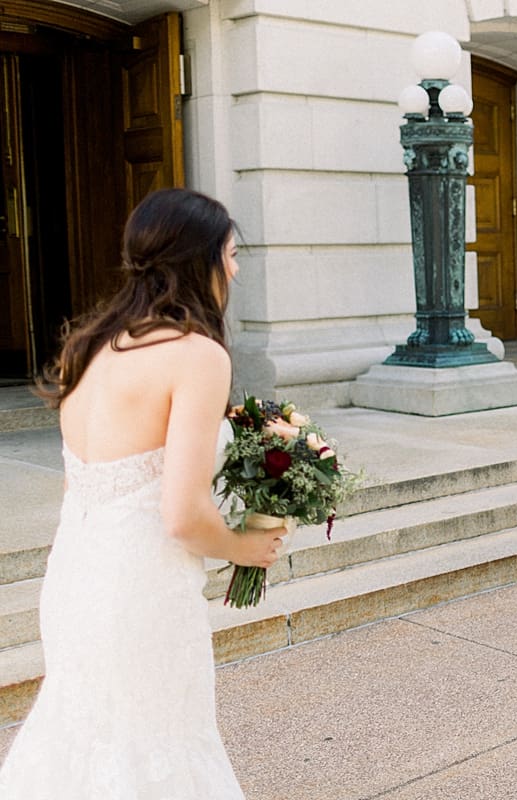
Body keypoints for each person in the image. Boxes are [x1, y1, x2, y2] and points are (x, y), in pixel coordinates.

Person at [0, 188, 285, 797]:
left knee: (81, 744)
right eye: (231, 254)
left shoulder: (91, 345)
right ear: (200, 258)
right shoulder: (197, 355)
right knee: (160, 749)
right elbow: (182, 514)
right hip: (141, 590)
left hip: (73, 579)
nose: (235, 270)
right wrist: (245, 548)